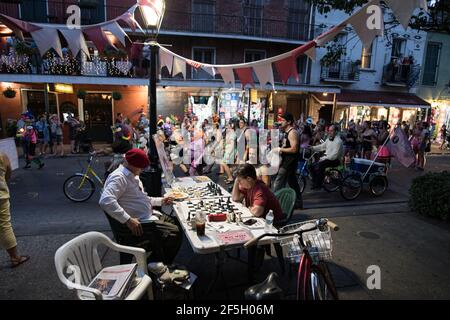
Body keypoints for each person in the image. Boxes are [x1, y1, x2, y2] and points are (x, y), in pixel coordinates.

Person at [99, 149, 182, 264]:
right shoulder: (119, 178)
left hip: (148, 215)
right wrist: (128, 220)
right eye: (140, 167)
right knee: (175, 232)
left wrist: (161, 201)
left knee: (178, 223)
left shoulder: (132, 176)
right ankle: (155, 264)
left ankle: (157, 260)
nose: (142, 170)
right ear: (131, 164)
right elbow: (105, 200)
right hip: (140, 223)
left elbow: (141, 199)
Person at [0, 152, 30, 268]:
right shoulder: (2, 156)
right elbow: (8, 174)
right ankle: (14, 258)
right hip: (1, 197)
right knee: (4, 226)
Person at [272, 112, 302, 209]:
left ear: (289, 122)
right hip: (287, 161)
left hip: (289, 162)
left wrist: (280, 149)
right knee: (292, 182)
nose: (280, 122)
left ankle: (273, 202)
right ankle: (298, 202)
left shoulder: (292, 133)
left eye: (283, 120)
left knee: (278, 181)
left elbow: (294, 149)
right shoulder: (287, 132)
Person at [310, 124, 344, 190]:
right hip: (328, 158)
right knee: (311, 166)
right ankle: (315, 182)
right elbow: (322, 146)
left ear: (336, 132)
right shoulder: (329, 139)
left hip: (336, 160)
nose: (329, 132)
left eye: (331, 131)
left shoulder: (338, 141)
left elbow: (334, 156)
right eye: (329, 130)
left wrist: (323, 158)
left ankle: (318, 184)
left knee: (321, 164)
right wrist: (312, 148)